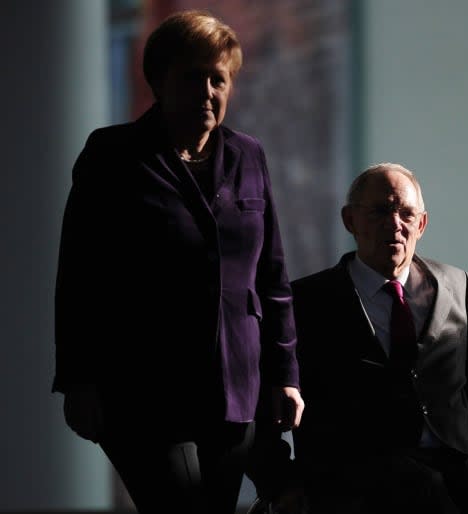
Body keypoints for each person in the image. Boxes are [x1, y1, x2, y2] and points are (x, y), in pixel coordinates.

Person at [52, 10, 303, 514]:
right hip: (142, 391)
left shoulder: (248, 156)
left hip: (234, 389)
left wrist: (285, 373)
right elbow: (79, 276)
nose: (208, 91)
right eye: (193, 77)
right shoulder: (113, 154)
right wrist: (79, 379)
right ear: (159, 82)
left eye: (219, 79)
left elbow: (271, 276)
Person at [283, 163, 468, 513]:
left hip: (452, 460)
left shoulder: (455, 286)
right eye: (380, 211)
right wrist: (285, 483)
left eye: (406, 214)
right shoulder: (310, 299)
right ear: (350, 221)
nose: (395, 224)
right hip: (361, 473)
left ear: (421, 224)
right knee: (420, 487)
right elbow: (279, 398)